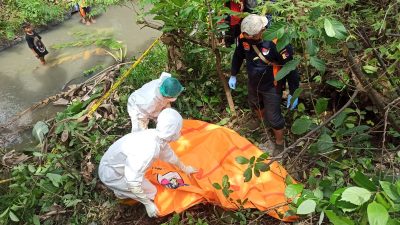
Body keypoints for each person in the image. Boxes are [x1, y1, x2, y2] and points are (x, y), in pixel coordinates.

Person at [98, 108, 197, 218]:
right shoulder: (148, 151)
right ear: (172, 132)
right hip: (112, 175)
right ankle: (124, 197)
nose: (180, 132)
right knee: (152, 192)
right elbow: (132, 181)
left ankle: (122, 192)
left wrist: (185, 168)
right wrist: (147, 204)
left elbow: (170, 155)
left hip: (114, 164)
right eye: (179, 129)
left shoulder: (156, 136)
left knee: (144, 184)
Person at [228, 14, 300, 156]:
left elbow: (291, 68)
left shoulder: (278, 42)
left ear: (261, 31)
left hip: (272, 84)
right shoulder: (244, 37)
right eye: (247, 36)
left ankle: (280, 143)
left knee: (274, 116)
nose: (249, 38)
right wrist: (233, 74)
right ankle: (263, 124)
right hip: (253, 81)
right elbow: (238, 55)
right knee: (255, 104)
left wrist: (294, 91)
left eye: (252, 36)